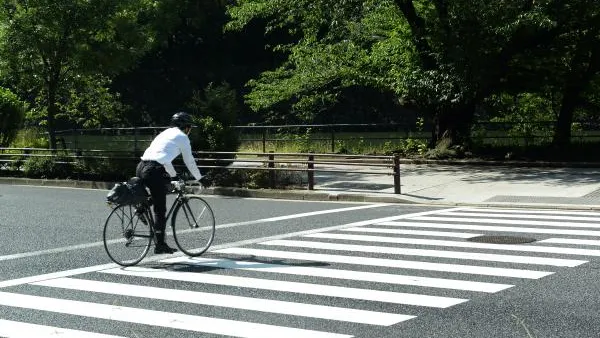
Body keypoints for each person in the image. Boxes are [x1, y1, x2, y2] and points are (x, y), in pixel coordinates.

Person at [136, 112, 203, 254]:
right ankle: (160, 245)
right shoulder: (182, 137)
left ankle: (141, 208)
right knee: (160, 209)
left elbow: (162, 158)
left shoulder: (165, 133)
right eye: (189, 127)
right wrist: (200, 178)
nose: (189, 130)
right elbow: (189, 161)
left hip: (141, 166)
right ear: (185, 127)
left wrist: (174, 176)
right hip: (154, 170)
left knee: (163, 189)